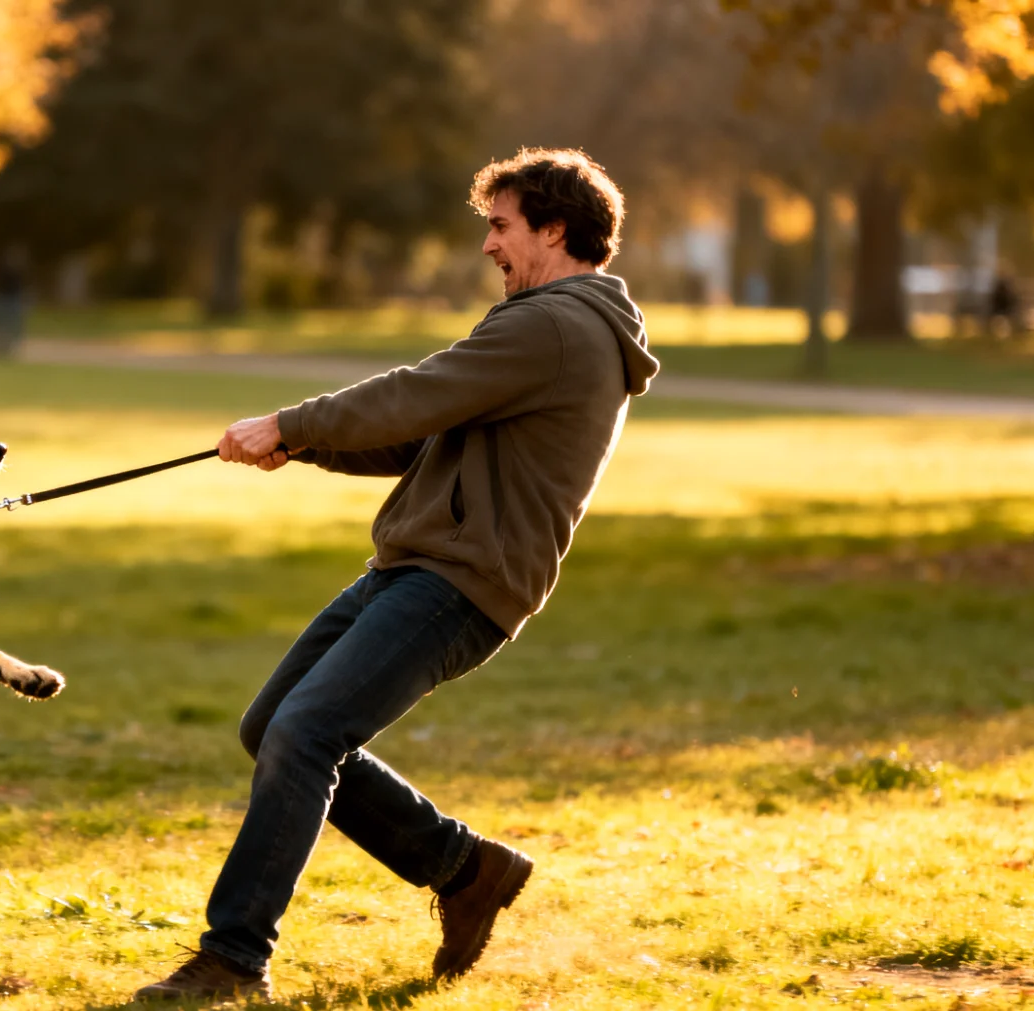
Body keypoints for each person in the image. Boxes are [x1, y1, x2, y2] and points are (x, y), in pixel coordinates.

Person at [134, 148, 660, 1001]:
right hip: (415, 564)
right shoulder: (545, 322)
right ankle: (464, 868)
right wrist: (300, 443)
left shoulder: (556, 324)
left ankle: (234, 957)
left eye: (500, 226)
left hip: (461, 583)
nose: (488, 246)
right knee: (273, 726)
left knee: (304, 733)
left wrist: (287, 419)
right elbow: (424, 437)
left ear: (555, 229)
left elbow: (417, 393)